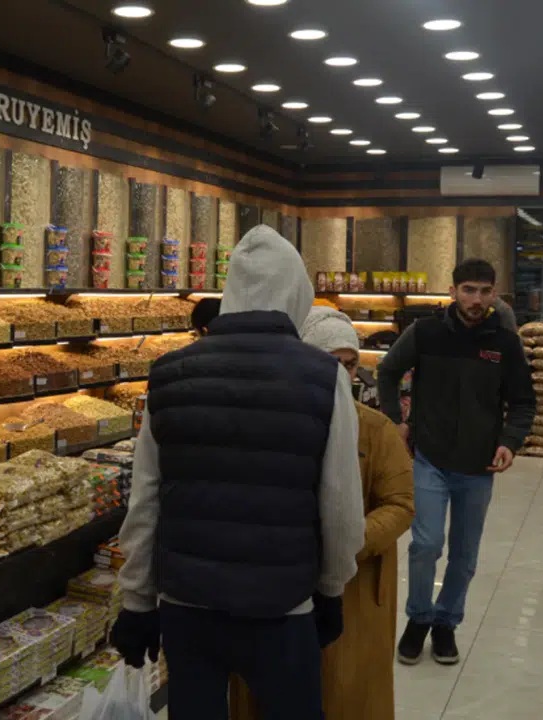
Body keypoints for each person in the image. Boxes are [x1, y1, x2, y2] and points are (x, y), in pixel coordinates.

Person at [113, 225, 365, 720]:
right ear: (296, 292)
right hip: (282, 607)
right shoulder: (324, 377)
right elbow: (340, 504)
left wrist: (137, 601)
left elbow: (145, 498)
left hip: (187, 606)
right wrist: (333, 587)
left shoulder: (169, 372)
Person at [230, 306, 415, 720]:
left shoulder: (375, 429)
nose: (341, 375)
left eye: (349, 364)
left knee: (347, 690)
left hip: (354, 588)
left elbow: (400, 504)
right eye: (331, 362)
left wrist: (347, 539)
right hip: (279, 584)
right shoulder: (272, 422)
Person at [377, 258, 536, 666]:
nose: (476, 299)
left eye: (484, 291)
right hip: (429, 458)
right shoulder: (425, 332)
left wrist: (510, 442)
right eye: (468, 290)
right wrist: (396, 421)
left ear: (494, 294)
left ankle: (446, 623)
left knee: (464, 556)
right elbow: (387, 371)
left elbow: (523, 401)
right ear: (453, 292)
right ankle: (418, 619)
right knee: (426, 544)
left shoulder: (505, 343)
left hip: (478, 466)